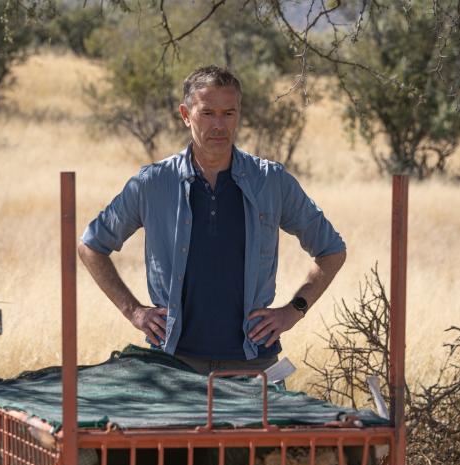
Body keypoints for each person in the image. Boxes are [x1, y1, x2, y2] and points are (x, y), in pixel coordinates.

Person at [78, 65, 346, 376]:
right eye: (207, 113)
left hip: (253, 363)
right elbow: (91, 246)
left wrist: (293, 310)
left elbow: (331, 250)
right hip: (173, 364)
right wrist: (134, 311)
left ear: (239, 114)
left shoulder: (271, 181)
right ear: (185, 114)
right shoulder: (153, 183)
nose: (219, 125)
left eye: (228, 113)